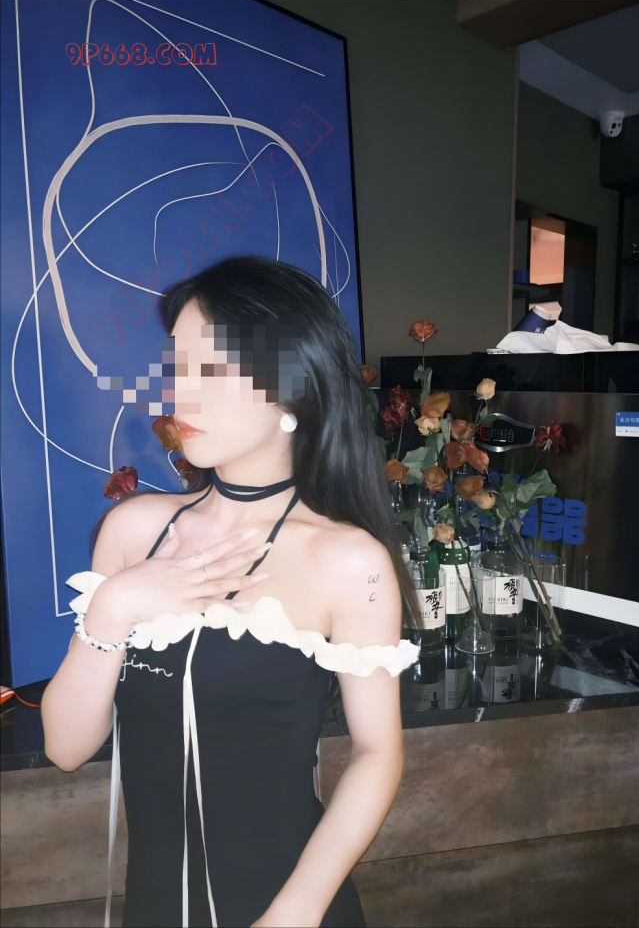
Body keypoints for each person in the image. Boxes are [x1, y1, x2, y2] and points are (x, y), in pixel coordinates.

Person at [41, 256, 420, 928]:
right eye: (176, 368)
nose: (180, 396)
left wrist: (296, 912)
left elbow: (376, 752)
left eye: (211, 371)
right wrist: (113, 605)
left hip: (290, 912)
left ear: (293, 389)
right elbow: (65, 748)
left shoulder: (347, 560)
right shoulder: (134, 530)